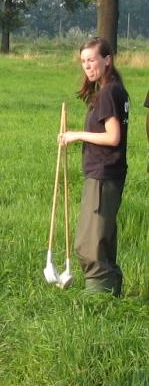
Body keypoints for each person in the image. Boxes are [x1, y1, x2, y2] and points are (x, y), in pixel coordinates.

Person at [59, 37, 129, 296]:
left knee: (90, 241)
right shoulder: (114, 88)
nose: (87, 67)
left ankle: (98, 297)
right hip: (109, 173)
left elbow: (113, 137)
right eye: (83, 62)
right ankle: (110, 292)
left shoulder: (109, 92)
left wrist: (77, 135)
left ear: (107, 60)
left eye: (92, 60)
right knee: (103, 236)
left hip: (103, 173)